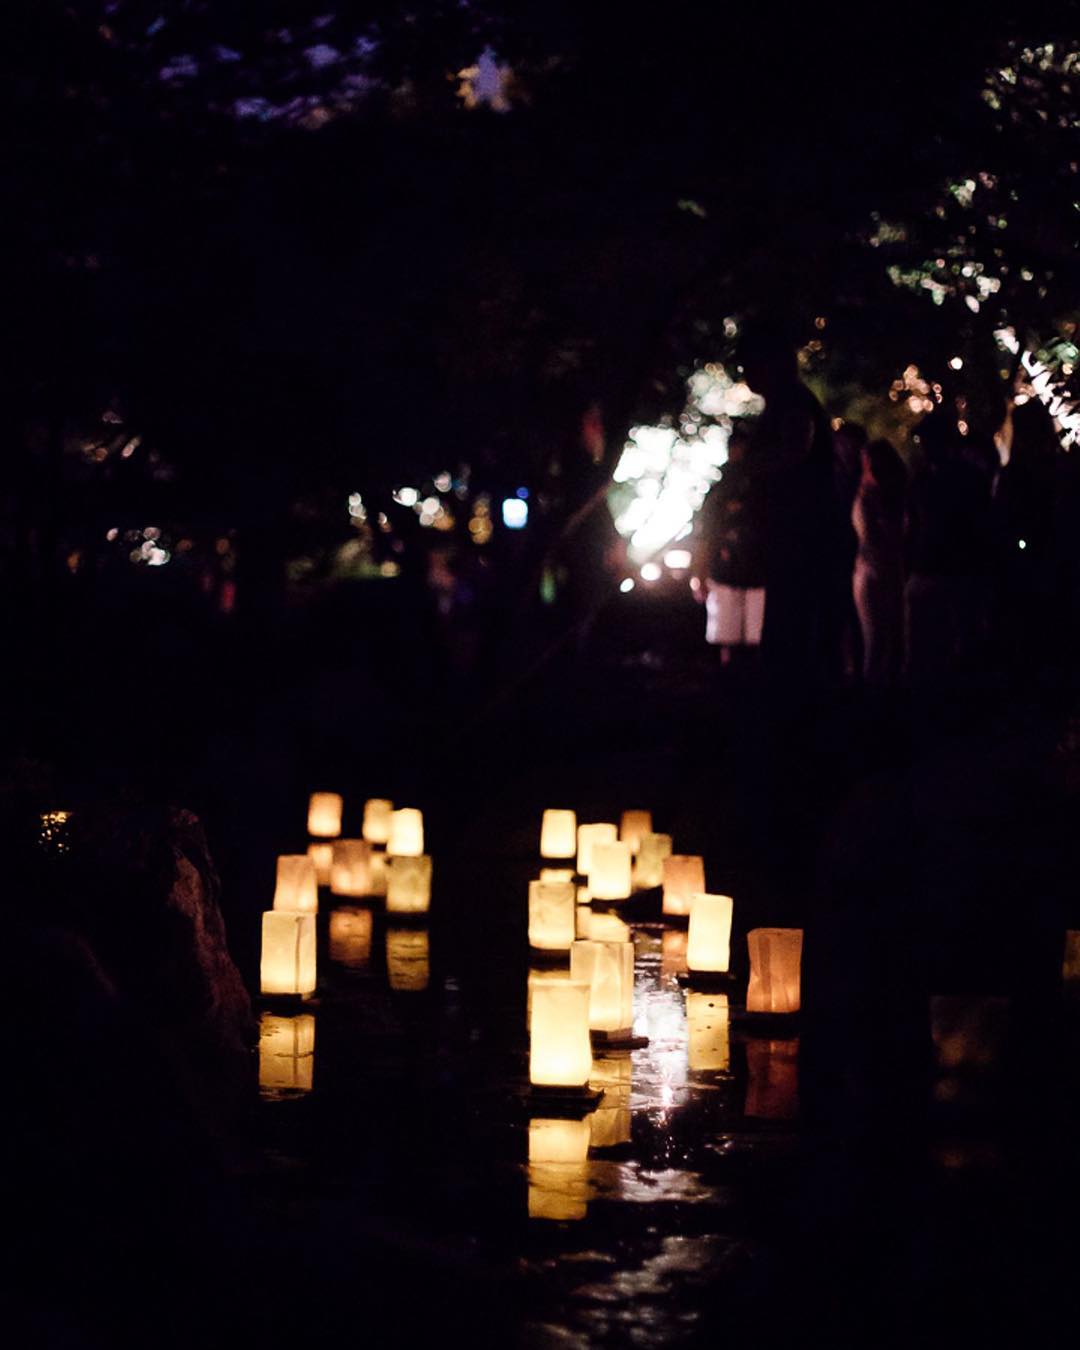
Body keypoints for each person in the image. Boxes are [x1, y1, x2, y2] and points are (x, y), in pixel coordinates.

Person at [738, 323, 837, 686]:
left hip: (799, 538)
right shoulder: (788, 403)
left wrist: (746, 469)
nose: (746, 373)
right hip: (792, 538)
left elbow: (794, 450)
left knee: (792, 631)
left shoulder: (793, 403)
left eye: (751, 364)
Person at [904, 414, 993, 683]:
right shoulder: (924, 478)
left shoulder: (965, 478)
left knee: (955, 646)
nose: (924, 446)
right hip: (934, 568)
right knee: (929, 647)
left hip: (956, 571)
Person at [693, 422, 766, 664]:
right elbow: (705, 534)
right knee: (727, 640)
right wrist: (699, 572)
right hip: (725, 572)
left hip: (758, 573)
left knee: (758, 639)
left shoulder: (763, 489)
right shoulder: (719, 491)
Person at [851, 438, 906, 685]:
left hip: (881, 571)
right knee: (878, 638)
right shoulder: (869, 499)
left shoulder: (882, 498)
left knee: (884, 638)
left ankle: (877, 691)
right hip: (876, 571)